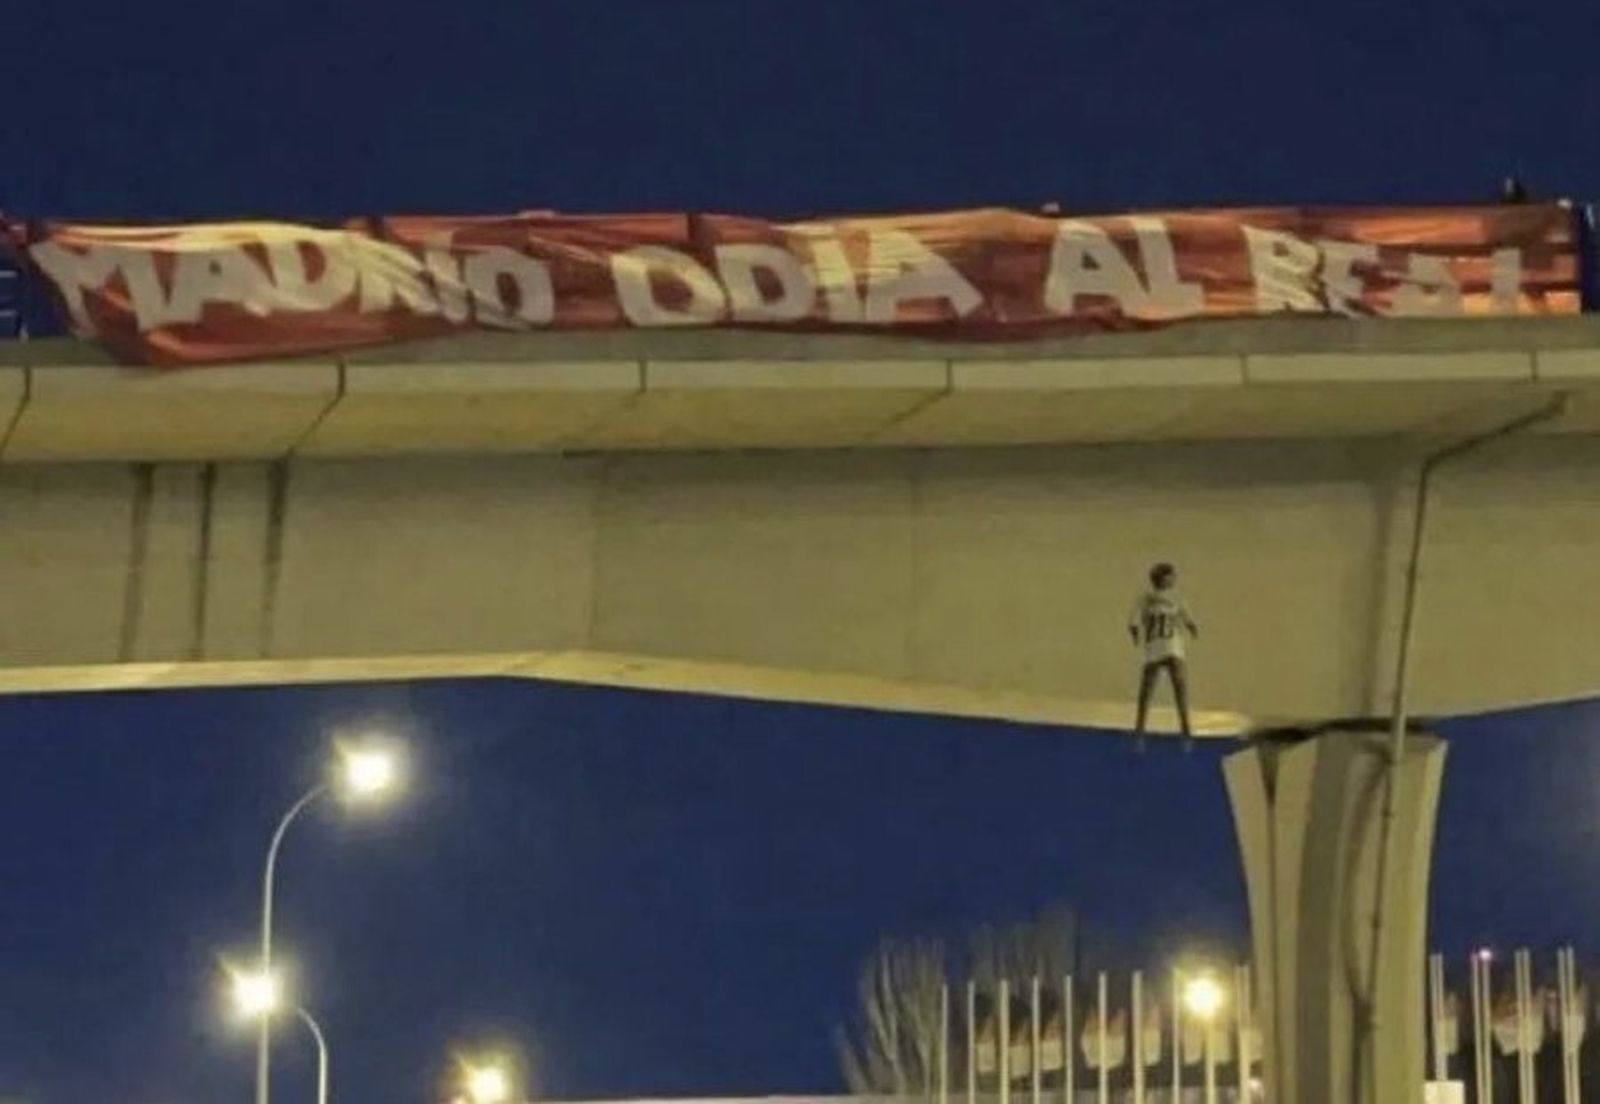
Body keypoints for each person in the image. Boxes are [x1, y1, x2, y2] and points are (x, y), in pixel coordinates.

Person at [1128, 562, 1199, 743]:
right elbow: (1134, 620)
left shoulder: (1168, 598)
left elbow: (1187, 618)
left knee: (1175, 689)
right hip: (1160, 648)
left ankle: (1183, 732)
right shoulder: (1148, 599)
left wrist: (1192, 627)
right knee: (1153, 691)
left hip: (1166, 647)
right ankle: (1141, 732)